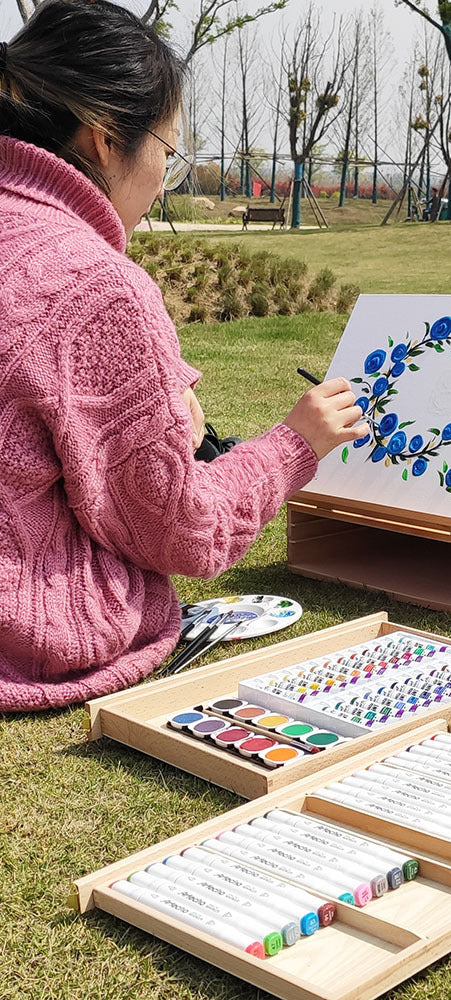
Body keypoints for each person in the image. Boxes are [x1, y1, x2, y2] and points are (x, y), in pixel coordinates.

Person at [0, 0, 366, 712]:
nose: (165, 176)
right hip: (26, 638)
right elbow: (180, 530)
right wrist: (295, 446)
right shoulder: (96, 284)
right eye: (169, 152)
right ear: (106, 140)